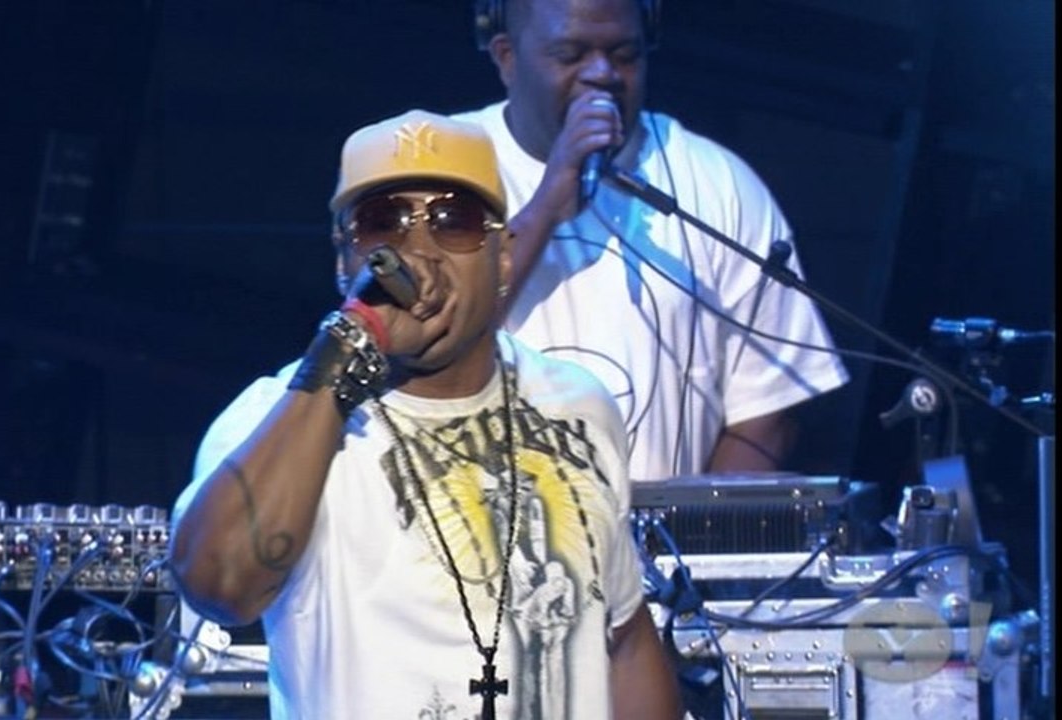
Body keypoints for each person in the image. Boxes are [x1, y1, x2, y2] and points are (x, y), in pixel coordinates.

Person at [169, 109, 682, 719]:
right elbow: (221, 588)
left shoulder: (577, 405)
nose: (418, 250)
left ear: (504, 257)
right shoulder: (277, 420)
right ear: (344, 259)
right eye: (382, 222)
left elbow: (623, 637)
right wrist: (347, 346)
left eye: (453, 221)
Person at [454, 0, 850, 481]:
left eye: (624, 54)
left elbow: (769, 409)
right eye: (570, 54)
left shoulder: (719, 182)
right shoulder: (441, 167)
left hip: (665, 530)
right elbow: (427, 342)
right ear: (506, 58)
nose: (602, 74)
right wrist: (547, 206)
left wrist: (699, 522)